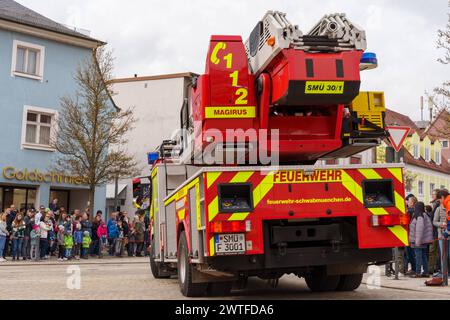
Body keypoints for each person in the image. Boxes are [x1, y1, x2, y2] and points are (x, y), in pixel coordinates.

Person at [409, 201, 434, 277]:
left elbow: (419, 230)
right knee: (423, 256)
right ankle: (426, 272)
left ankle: (418, 272)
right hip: (423, 241)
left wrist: (417, 242)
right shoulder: (424, 215)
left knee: (418, 257)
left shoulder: (419, 216)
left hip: (419, 241)